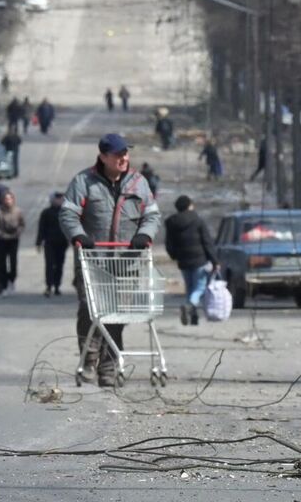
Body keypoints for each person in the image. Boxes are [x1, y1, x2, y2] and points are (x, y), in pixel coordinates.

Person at [59, 133, 162, 387]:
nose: (123, 158)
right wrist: (79, 236)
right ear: (104, 157)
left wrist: (144, 235)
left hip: (126, 263)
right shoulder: (84, 182)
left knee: (118, 314)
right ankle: (89, 359)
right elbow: (68, 214)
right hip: (92, 261)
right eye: (117, 155)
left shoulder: (139, 183)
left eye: (125, 153)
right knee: (90, 312)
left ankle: (109, 365)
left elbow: (152, 215)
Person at [163, 196, 215, 326]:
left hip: (183, 260)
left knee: (190, 288)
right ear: (189, 206)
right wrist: (214, 260)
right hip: (199, 259)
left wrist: (174, 255)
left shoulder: (171, 223)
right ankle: (189, 306)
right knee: (200, 288)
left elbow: (169, 243)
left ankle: (193, 318)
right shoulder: (198, 220)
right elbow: (207, 242)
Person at [36, 191, 68, 297]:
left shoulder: (66, 212)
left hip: (62, 242)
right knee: (49, 265)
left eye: (60, 199)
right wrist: (39, 242)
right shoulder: (46, 212)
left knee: (59, 265)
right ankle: (49, 286)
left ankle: (57, 286)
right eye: (56, 198)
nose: (58, 201)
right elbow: (41, 228)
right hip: (49, 243)